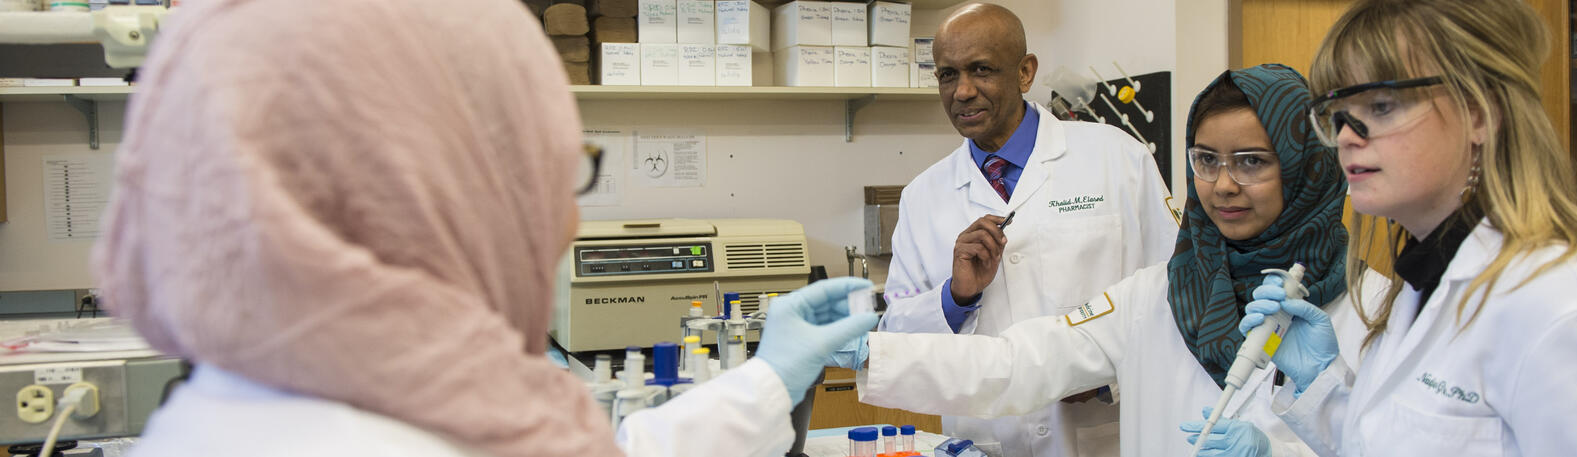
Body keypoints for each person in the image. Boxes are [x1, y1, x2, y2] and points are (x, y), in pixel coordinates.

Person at [91, 1, 879, 456]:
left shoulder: (231, 408)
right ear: (407, 186)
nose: (566, 218)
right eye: (535, 173)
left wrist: (767, 377)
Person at [838, 65, 1368, 457]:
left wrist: (1280, 453)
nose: (1223, 185)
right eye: (1205, 161)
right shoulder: (1154, 295)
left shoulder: (1375, 309)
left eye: (1252, 161)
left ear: (1306, 167)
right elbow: (1017, 363)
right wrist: (871, 353)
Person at [1226, 0, 1577, 456]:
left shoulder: (1559, 306)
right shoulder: (1424, 280)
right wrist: (1319, 381)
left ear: (1480, 112)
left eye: (1381, 104)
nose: (1345, 135)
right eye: (1336, 113)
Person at [875, 4, 1178, 456]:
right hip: (984, 440)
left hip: (1100, 434)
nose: (962, 91)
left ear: (1024, 72)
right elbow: (896, 334)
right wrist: (954, 298)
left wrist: (1106, 376)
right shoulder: (923, 196)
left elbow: (1176, 292)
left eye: (981, 70)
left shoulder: (1118, 160)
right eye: (947, 75)